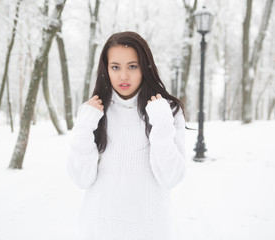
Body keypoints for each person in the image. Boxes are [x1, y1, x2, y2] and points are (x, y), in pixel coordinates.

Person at [67, 31, 186, 240]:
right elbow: (81, 179)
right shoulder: (93, 112)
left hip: (150, 231)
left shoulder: (166, 111)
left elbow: (170, 178)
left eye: (132, 66)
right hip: (98, 229)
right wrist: (84, 128)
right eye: (115, 67)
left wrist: (161, 123)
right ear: (106, 69)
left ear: (145, 67)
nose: (123, 76)